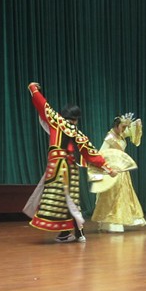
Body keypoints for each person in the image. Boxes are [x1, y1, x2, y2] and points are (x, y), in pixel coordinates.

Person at [24, 82, 117, 242]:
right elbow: (91, 153)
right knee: (68, 199)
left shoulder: (57, 121)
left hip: (57, 166)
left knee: (60, 200)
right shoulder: (78, 133)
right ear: (76, 119)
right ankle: (72, 232)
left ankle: (74, 232)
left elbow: (42, 105)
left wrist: (33, 89)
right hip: (71, 167)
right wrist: (108, 168)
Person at [91, 113, 146, 232]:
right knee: (113, 196)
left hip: (123, 171)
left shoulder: (121, 134)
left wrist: (137, 124)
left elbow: (132, 131)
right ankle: (111, 223)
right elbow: (101, 153)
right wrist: (107, 168)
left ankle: (123, 219)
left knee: (125, 195)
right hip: (113, 171)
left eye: (125, 127)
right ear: (116, 126)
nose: (124, 130)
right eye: (123, 127)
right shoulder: (110, 138)